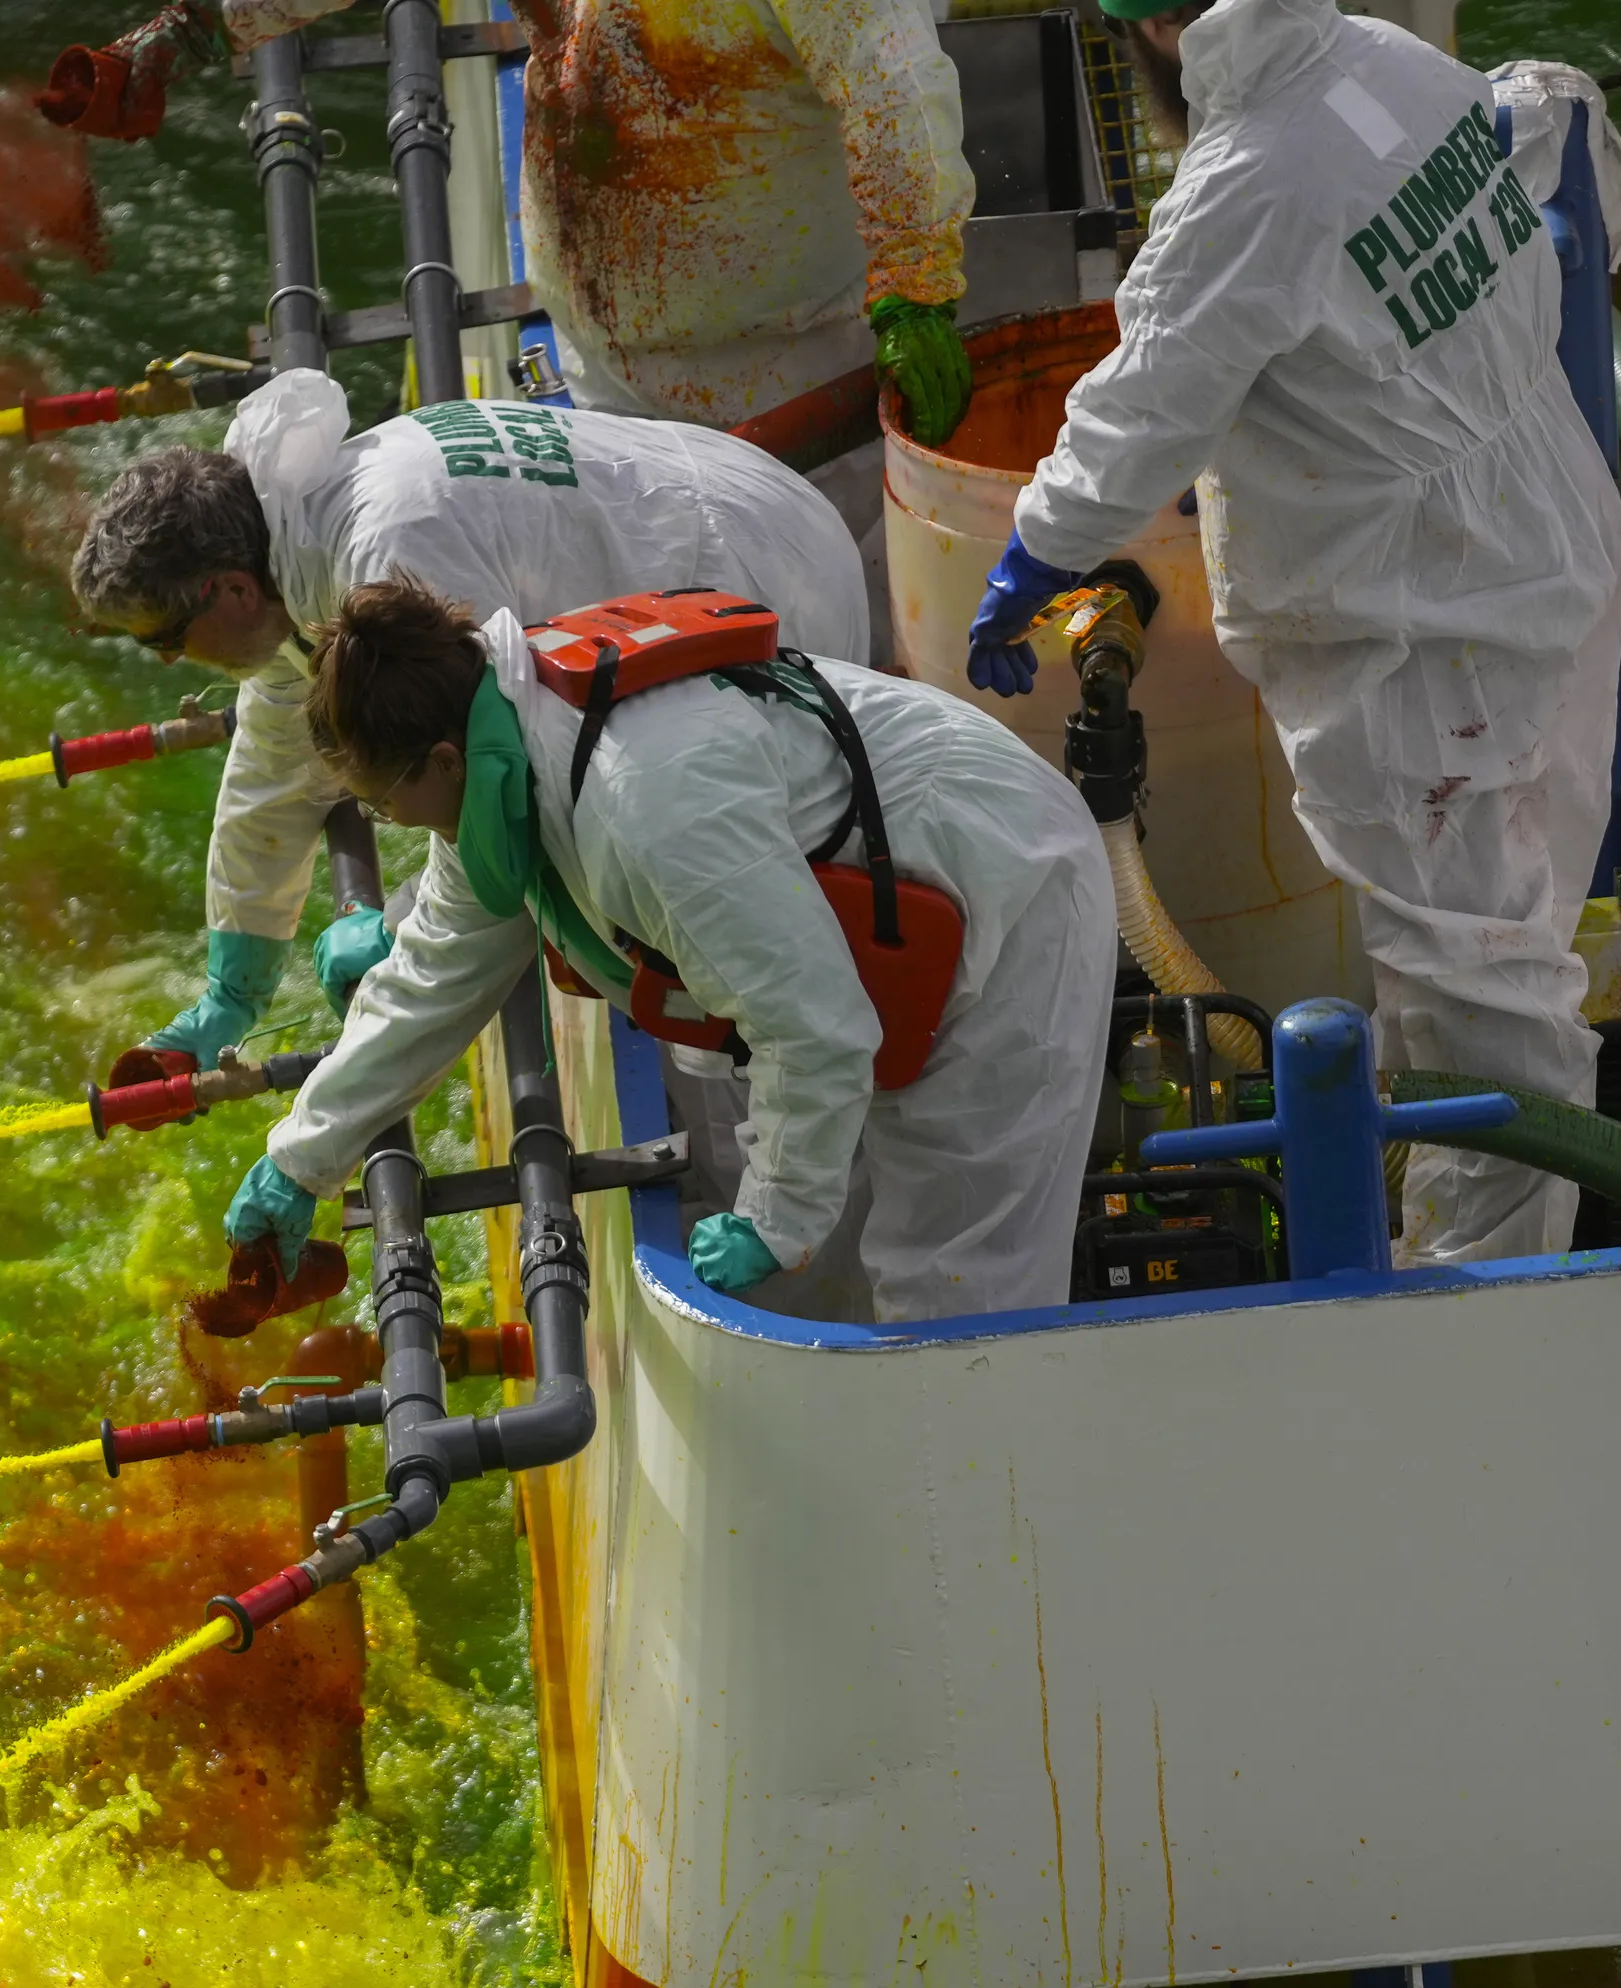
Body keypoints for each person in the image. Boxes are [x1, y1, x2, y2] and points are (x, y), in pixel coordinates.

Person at [967, 0, 1621, 1263]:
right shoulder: (1382, 62)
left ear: (1150, 31)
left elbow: (1139, 408)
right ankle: (1450, 1178)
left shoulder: (1240, 186)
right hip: (1541, 531)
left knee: (1482, 982)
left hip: (1424, 634)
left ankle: (1483, 1299)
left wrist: (1031, 554)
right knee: (1511, 922)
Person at [227, 577, 1111, 1324]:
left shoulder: (644, 806)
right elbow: (436, 975)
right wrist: (301, 1157)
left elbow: (817, 1029)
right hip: (887, 917)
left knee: (959, 1290)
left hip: (1008, 897)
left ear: (445, 760)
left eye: (386, 804)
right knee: (854, 1252)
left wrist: (775, 1217)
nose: (393, 825)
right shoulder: (506, 739)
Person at [75, 369, 870, 1068]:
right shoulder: (300, 525)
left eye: (164, 641)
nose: (172, 665)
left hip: (768, 590)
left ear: (231, 589)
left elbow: (499, 796)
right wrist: (234, 985)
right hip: (738, 506)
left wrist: (399, 923)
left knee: (713, 956)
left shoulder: (386, 559)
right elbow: (275, 756)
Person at [158, 0, 978, 570]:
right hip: (606, 356)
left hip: (793, 354)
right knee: (678, 592)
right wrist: (190, 29)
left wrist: (916, 284)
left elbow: (893, 90)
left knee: (833, 587)